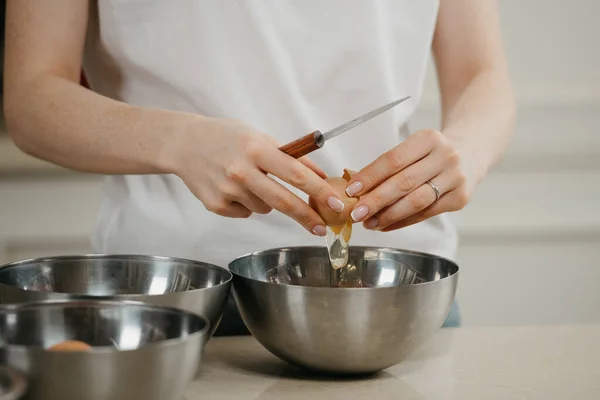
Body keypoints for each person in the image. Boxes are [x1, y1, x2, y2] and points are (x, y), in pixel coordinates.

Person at [3, 0, 514, 334]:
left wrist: (466, 148)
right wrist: (179, 141)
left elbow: (482, 73)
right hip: (174, 303)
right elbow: (29, 100)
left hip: (396, 302)